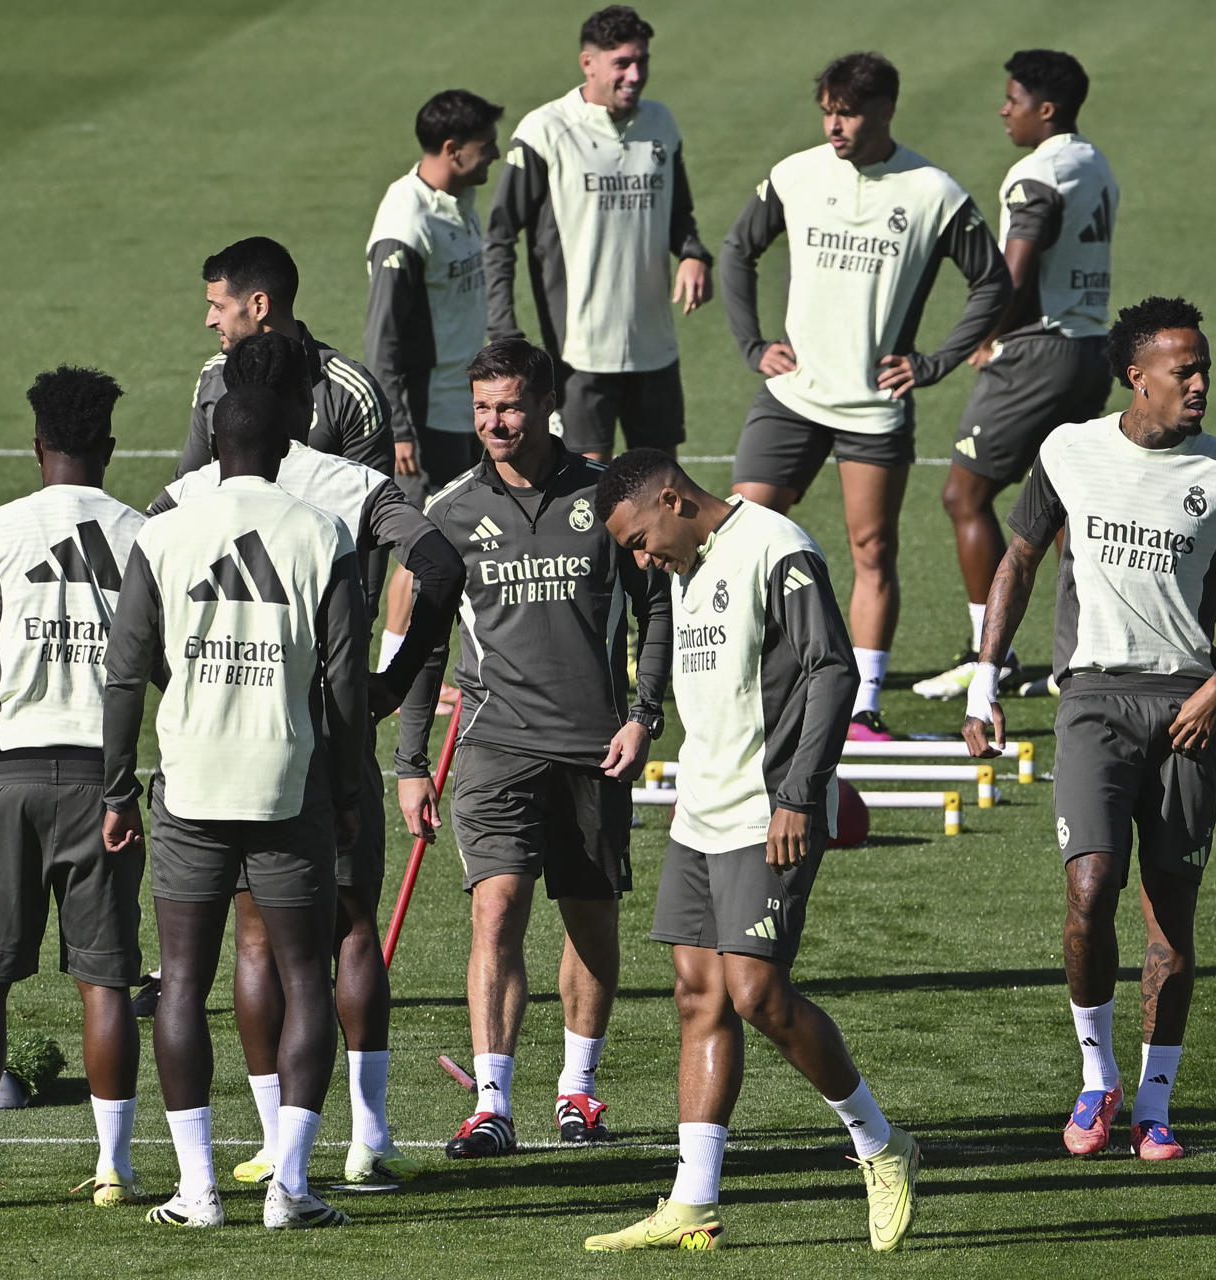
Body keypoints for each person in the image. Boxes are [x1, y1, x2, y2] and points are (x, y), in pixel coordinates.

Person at [962, 297, 1216, 1161]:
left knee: (1171, 928)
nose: (1200, 384)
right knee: (1089, 888)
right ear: (1135, 377)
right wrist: (983, 683)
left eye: (1204, 368)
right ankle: (1096, 1079)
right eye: (1183, 371)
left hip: (1188, 707)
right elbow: (1020, 561)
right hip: (1094, 702)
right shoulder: (1070, 451)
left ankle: (1155, 1102)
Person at [584, 450, 920, 1252]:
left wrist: (800, 794)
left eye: (638, 539)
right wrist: (644, 715)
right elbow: (666, 633)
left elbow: (831, 669)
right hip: (701, 808)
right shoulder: (684, 564)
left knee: (758, 994)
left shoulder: (775, 546)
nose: (640, 558)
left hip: (769, 809)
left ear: (672, 498)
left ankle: (882, 1146)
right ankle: (692, 1198)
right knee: (698, 995)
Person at [150, 331, 464, 1189]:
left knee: (255, 941)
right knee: (352, 927)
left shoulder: (188, 493)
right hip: (330, 735)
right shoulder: (352, 485)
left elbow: (138, 591)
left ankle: (265, 1143)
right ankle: (367, 1139)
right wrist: (394, 679)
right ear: (303, 405)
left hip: (221, 743)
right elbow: (437, 560)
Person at [102, 384, 369, 1228]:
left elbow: (124, 672)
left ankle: (199, 1191)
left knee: (182, 983)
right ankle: (289, 1187)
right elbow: (346, 690)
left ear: (213, 448)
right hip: (290, 789)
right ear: (288, 446)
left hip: (190, 789)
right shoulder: (322, 532)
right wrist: (351, 791)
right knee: (304, 980)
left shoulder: (165, 532)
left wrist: (116, 788)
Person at [395, 338, 670, 1157]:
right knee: (497, 908)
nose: (494, 423)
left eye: (509, 406)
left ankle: (577, 1092)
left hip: (596, 747)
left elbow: (657, 607)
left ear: (546, 403)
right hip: (495, 743)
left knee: (590, 920)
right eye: (481, 409)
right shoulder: (449, 511)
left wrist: (644, 715)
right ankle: (492, 1103)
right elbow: (425, 646)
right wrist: (412, 762)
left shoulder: (608, 496)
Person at [719, 51, 1010, 740]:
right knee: (739, 538)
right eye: (826, 111)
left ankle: (861, 706)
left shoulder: (932, 192)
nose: (833, 126)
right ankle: (737, 688)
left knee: (871, 547)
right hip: (790, 397)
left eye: (846, 113)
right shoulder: (796, 174)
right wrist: (753, 346)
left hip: (873, 410)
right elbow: (737, 249)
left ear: (884, 111)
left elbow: (992, 281)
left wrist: (933, 362)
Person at [0, 366, 147, 1210]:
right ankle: (114, 1170)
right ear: (109, 449)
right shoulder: (145, 532)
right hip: (103, 784)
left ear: (37, 445)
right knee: (105, 980)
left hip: (6, 780)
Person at [916, 49, 1120, 701]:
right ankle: (1083, 654)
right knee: (1059, 504)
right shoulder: (1096, 163)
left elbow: (1015, 271)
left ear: (1046, 109)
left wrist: (983, 335)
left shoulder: (1037, 174)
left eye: (1014, 99)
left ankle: (991, 657)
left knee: (964, 495)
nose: (1004, 110)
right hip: (1091, 350)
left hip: (1039, 353)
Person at [485, 5, 712, 462]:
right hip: (580, 356)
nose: (635, 74)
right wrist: (503, 327)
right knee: (587, 498)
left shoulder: (660, 124)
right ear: (588, 63)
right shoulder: (545, 131)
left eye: (642, 61)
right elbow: (500, 235)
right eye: (622, 63)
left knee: (662, 490)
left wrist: (692, 252)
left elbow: (679, 213)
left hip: (655, 347)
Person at [366, 88, 502, 669]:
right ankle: (396, 675)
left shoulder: (458, 199)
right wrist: (399, 430)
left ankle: (432, 666)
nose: (494, 155)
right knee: (424, 548)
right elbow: (383, 341)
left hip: (465, 403)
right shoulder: (405, 222)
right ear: (453, 149)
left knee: (461, 537)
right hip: (425, 417)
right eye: (485, 146)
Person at [177, 236, 393, 480]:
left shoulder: (351, 394)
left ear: (259, 306)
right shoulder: (212, 376)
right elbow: (185, 488)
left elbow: (371, 505)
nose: (210, 320)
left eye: (219, 307)